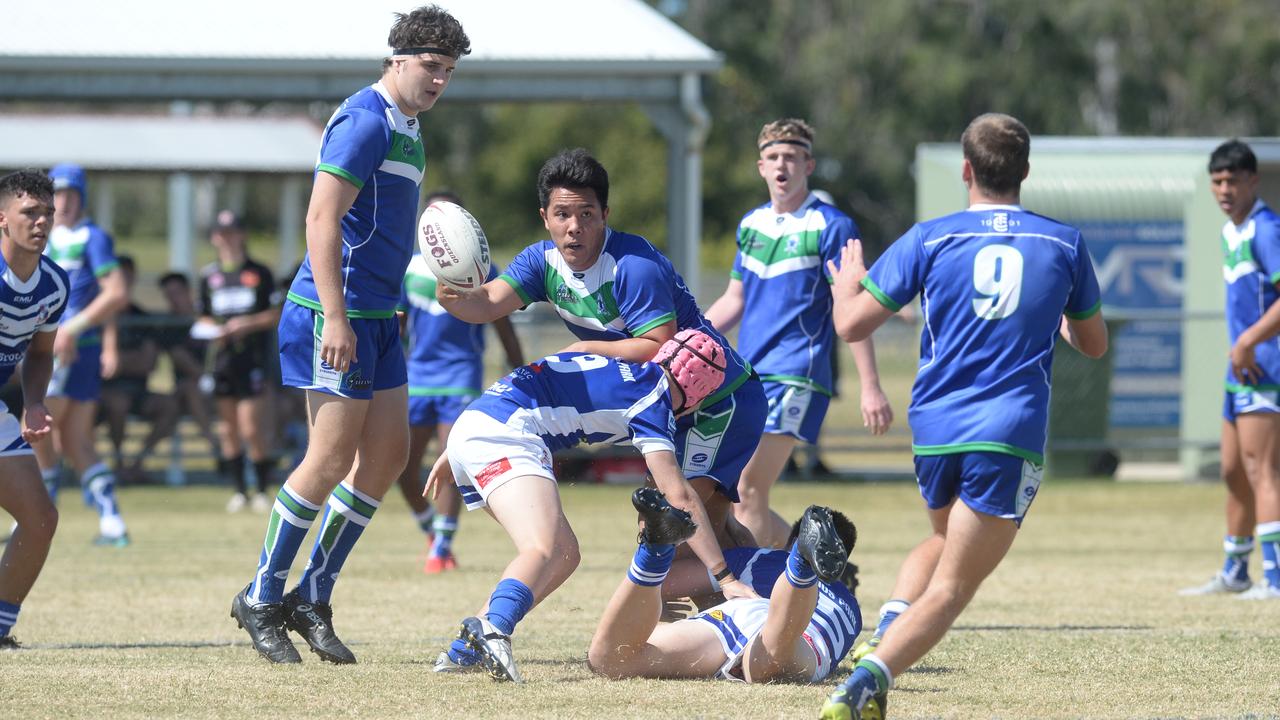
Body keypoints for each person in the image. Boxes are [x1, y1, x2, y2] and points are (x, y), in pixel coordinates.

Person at [818, 113, 1108, 719]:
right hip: (1007, 432)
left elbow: (850, 325)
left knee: (944, 539)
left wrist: (847, 283)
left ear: (967, 171)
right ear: (1025, 172)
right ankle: (866, 681)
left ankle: (890, 622)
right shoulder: (1062, 242)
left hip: (936, 429)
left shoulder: (931, 236)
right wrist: (1054, 317)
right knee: (953, 587)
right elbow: (1094, 344)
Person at [229, 5, 470, 665]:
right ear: (397, 57)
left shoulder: (410, 127)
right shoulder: (364, 121)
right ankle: (261, 594)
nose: (439, 80)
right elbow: (321, 218)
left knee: (388, 458)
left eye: (448, 71)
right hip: (334, 313)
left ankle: (313, 593)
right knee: (329, 458)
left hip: (379, 314)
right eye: (430, 66)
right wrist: (335, 315)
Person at [437, 148, 768, 553]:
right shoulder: (541, 262)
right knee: (706, 528)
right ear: (545, 217)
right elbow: (487, 302)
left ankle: (752, 598)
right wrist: (453, 294)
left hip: (719, 400)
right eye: (562, 215)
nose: (574, 227)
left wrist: (587, 348)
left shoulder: (632, 265)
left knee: (675, 527)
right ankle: (775, 596)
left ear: (605, 214)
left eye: (586, 215)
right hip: (669, 402)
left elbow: (658, 345)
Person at [426, 332, 756, 682]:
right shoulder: (654, 403)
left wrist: (463, 437)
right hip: (503, 435)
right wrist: (725, 577)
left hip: (481, 420)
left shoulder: (617, 367)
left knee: (564, 554)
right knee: (544, 547)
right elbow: (680, 496)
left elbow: (537, 374)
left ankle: (469, 649)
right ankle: (493, 631)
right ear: (694, 400)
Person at [704, 119, 894, 547]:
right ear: (760, 167)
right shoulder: (751, 225)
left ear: (808, 165)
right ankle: (818, 572)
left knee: (749, 491)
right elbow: (735, 299)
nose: (781, 165)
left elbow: (853, 307)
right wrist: (685, 340)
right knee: (735, 499)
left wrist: (871, 386)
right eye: (772, 157)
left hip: (797, 372)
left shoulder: (831, 225)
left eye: (791, 157)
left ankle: (753, 601)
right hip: (750, 374)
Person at [588, 498, 860, 686]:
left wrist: (656, 601)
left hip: (742, 612)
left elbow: (670, 581)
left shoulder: (759, 557)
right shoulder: (852, 610)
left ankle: (654, 550)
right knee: (765, 668)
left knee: (612, 659)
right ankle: (801, 567)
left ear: (787, 541)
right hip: (799, 634)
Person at [394, 190, 524, 573]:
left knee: (450, 461)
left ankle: (442, 548)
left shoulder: (481, 269)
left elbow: (503, 324)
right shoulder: (409, 269)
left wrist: (520, 370)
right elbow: (398, 327)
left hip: (460, 375)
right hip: (417, 378)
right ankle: (433, 534)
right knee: (402, 468)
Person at [1180, 140, 1280, 599]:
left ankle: (1275, 578)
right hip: (1239, 367)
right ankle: (1236, 571)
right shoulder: (1230, 232)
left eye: (1232, 180)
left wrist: (1246, 342)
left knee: (1263, 471)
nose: (1224, 189)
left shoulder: (1266, 229)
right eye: (1217, 181)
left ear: (1252, 181)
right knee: (1231, 470)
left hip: (1266, 367)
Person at [36, 163, 129, 546]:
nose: (64, 202)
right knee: (75, 440)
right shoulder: (43, 238)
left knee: (36, 426)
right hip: (55, 349)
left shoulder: (92, 237)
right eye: (57, 194)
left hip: (71, 352)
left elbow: (115, 293)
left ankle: (40, 508)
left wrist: (73, 330)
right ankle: (112, 522)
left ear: (82, 197)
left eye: (71, 194)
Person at [0, 170, 70, 647]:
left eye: (48, 212)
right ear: (2, 219)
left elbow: (41, 354)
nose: (42, 221)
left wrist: (35, 403)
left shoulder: (54, 286)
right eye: (30, 212)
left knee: (41, 519)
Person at [197, 210, 281, 513]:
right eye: (221, 232)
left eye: (232, 232)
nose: (227, 238)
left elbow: (275, 314)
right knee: (228, 429)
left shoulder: (259, 272)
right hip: (222, 361)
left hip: (252, 358)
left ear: (242, 235)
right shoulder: (209, 276)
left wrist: (245, 324)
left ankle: (260, 488)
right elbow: (203, 314)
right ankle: (238, 491)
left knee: (251, 428)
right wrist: (214, 329)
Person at [97, 255, 181, 483]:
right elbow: (98, 366)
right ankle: (118, 463)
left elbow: (147, 364)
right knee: (117, 402)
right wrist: (126, 360)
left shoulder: (141, 316)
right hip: (100, 393)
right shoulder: (96, 316)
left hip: (137, 391)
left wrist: (117, 360)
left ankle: (136, 464)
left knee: (170, 406)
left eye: (127, 275)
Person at [156, 271, 219, 459]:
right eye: (169, 295)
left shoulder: (209, 315)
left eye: (177, 293)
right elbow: (178, 356)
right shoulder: (169, 325)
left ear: (188, 291)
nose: (174, 299)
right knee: (188, 391)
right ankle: (218, 448)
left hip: (221, 382)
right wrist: (203, 376)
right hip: (189, 390)